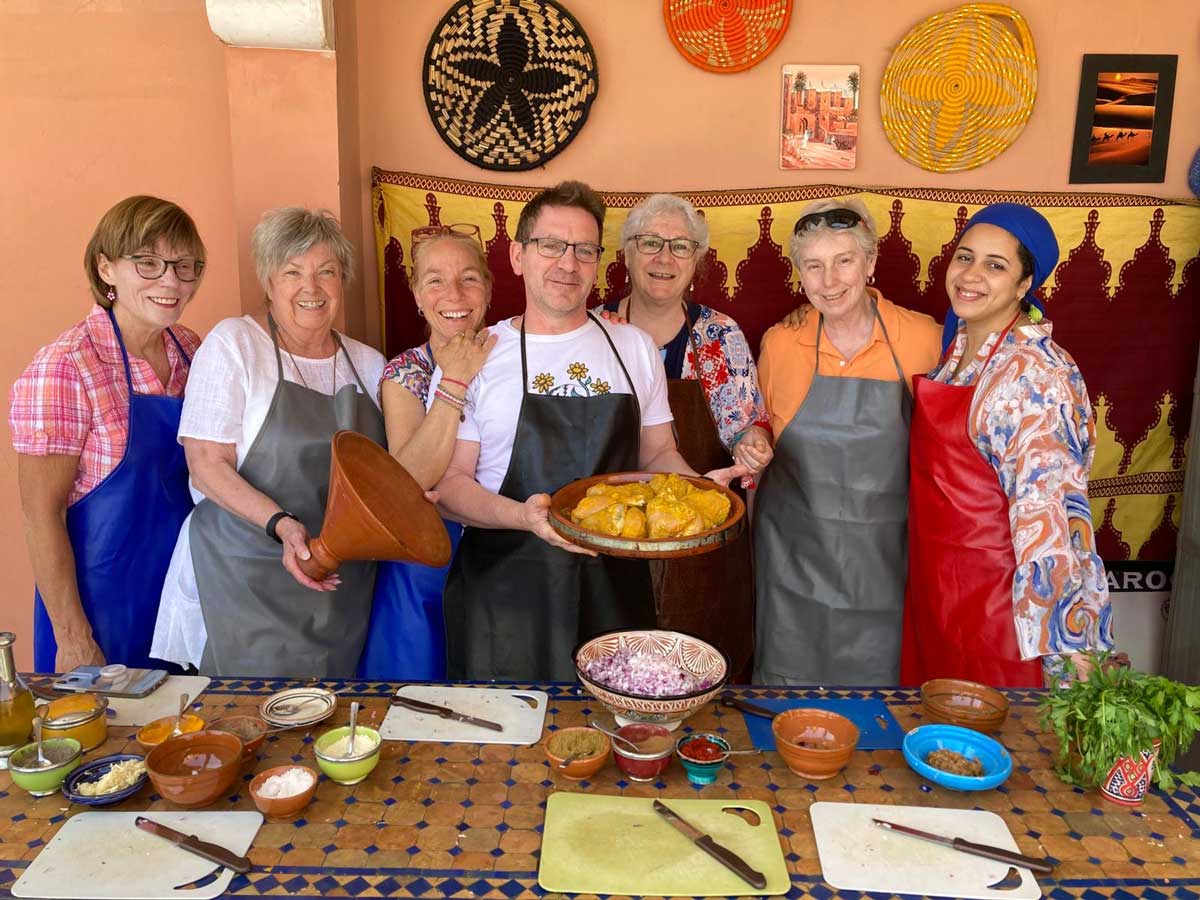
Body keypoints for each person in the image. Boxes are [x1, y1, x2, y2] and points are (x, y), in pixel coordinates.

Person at [435, 181, 746, 681]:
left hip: (614, 592)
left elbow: (659, 452)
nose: (568, 263)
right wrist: (525, 517)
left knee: (611, 740)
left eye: (584, 250)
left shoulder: (633, 347)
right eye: (551, 246)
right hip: (506, 591)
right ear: (518, 255)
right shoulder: (478, 354)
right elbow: (449, 488)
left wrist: (699, 492)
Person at [151, 208, 386, 678]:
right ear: (268, 281)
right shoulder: (235, 345)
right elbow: (206, 465)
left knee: (332, 721)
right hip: (245, 578)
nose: (312, 288)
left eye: (327, 272)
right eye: (293, 273)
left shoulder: (371, 365)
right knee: (249, 722)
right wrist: (280, 523)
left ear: (344, 280)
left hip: (339, 583)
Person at [901, 203, 1113, 687]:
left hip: (1001, 613)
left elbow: (1053, 520)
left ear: (1024, 285)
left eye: (995, 266)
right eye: (965, 257)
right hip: (939, 593)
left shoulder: (1036, 374)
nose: (971, 275)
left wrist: (1068, 646)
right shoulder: (958, 349)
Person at [11, 196, 204, 673]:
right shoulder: (66, 365)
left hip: (184, 596)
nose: (171, 281)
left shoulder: (191, 349)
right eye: (148, 263)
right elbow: (42, 516)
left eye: (185, 266)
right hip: (103, 610)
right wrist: (73, 639)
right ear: (106, 268)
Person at [754, 198, 941, 685]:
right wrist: (750, 443)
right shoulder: (779, 343)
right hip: (792, 566)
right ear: (799, 275)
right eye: (813, 266)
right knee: (786, 703)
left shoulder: (926, 340)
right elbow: (761, 430)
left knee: (878, 710)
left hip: (884, 568)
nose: (830, 281)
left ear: (871, 262)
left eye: (844, 261)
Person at [602, 193, 771, 676]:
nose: (664, 257)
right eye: (650, 242)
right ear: (626, 253)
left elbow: (745, 422)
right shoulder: (596, 329)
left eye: (680, 246)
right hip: (613, 536)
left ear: (697, 260)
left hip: (701, 533)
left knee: (700, 668)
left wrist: (751, 442)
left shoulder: (720, 335)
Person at [358, 225, 497, 680]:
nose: (453, 293)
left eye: (469, 278)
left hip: (504, 545)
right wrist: (454, 381)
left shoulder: (512, 355)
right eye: (435, 280)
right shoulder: (405, 373)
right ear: (417, 295)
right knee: (420, 693)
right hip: (429, 559)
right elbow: (410, 478)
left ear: (489, 289)